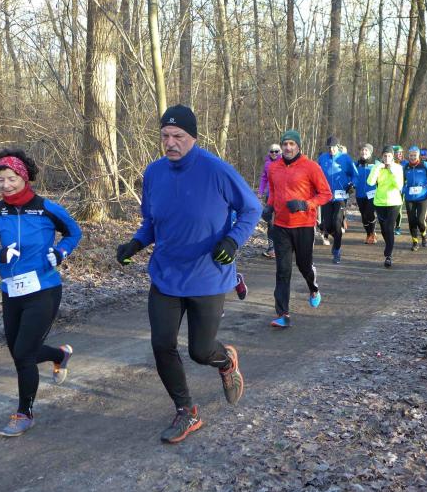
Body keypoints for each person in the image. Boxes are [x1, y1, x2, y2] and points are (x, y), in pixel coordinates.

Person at [115, 105, 260, 444]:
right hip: (166, 274)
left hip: (208, 274)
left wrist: (233, 240)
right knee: (161, 343)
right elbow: (152, 221)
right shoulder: (154, 173)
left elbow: (252, 208)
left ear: (193, 137)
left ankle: (226, 361)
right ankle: (186, 411)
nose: (171, 142)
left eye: (178, 136)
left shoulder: (216, 170)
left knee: (201, 351)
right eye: (165, 136)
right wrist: (136, 243)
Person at [0, 149, 82, 437]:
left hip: (44, 288)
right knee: (20, 352)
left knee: (23, 353)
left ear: (24, 177)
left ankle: (24, 413)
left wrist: (61, 252)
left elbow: (74, 233)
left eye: (11, 178)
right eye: (0, 180)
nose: (6, 185)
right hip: (11, 291)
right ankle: (60, 354)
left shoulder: (46, 208)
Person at [263, 129, 332, 328]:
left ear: (298, 146)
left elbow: (325, 194)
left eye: (292, 144)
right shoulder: (273, 167)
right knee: (283, 271)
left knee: (304, 266)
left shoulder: (311, 167)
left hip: (304, 225)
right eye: (285, 144)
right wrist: (269, 207)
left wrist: (305, 204)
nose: (288, 148)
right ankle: (283, 314)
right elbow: (274, 191)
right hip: (281, 226)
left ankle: (313, 288)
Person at [317, 136, 358, 263]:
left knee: (336, 222)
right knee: (327, 226)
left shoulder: (345, 158)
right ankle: (335, 238)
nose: (331, 150)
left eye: (334, 147)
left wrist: (352, 185)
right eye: (329, 148)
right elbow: (315, 175)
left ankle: (336, 251)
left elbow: (355, 174)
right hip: (326, 196)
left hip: (340, 196)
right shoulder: (322, 158)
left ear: (338, 147)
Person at [367, 146, 404, 267]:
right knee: (383, 230)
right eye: (385, 156)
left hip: (394, 202)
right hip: (379, 202)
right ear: (382, 157)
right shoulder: (377, 167)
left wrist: (391, 171)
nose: (387, 158)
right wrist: (377, 168)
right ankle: (389, 246)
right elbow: (370, 182)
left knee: (389, 228)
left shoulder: (398, 168)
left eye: (389, 156)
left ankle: (388, 255)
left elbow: (399, 186)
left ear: (393, 157)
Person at [402, 147, 427, 251]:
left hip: (423, 197)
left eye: (415, 155)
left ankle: (424, 236)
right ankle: (415, 242)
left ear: (418, 156)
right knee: (412, 220)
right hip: (410, 198)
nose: (412, 157)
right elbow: (401, 181)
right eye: (411, 155)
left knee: (421, 220)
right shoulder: (406, 167)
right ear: (408, 155)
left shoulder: (424, 165)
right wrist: (403, 189)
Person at [258, 144, 282, 258]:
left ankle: (283, 246)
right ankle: (271, 248)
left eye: (276, 151)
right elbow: (264, 178)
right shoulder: (267, 164)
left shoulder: (284, 162)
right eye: (272, 151)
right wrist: (260, 192)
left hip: (282, 197)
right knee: (270, 222)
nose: (274, 153)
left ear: (280, 152)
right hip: (270, 196)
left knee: (281, 222)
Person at [354, 143, 377, 244]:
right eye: (362, 150)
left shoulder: (376, 165)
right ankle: (368, 234)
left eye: (366, 150)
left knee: (369, 213)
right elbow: (351, 176)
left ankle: (372, 234)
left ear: (370, 153)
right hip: (360, 194)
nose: (364, 152)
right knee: (364, 216)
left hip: (372, 194)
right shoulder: (356, 165)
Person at [392, 145, 408, 235]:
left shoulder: (406, 163)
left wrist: (404, 187)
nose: (400, 154)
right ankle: (390, 225)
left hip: (401, 189)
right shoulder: (389, 163)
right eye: (398, 153)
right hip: (390, 190)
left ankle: (397, 227)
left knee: (398, 208)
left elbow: (408, 177)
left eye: (401, 153)